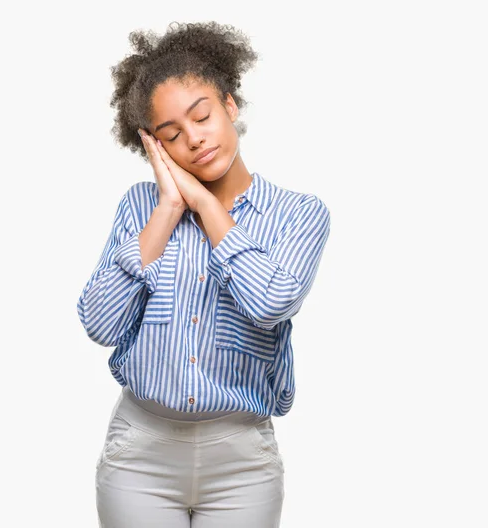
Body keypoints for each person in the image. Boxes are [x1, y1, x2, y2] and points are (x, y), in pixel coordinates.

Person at [76, 21, 331, 527]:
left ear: (230, 107)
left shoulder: (299, 214)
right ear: (155, 146)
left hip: (242, 461)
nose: (193, 139)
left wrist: (204, 205)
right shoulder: (140, 207)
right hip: (140, 452)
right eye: (172, 135)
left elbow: (271, 303)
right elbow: (100, 325)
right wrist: (169, 209)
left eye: (202, 116)